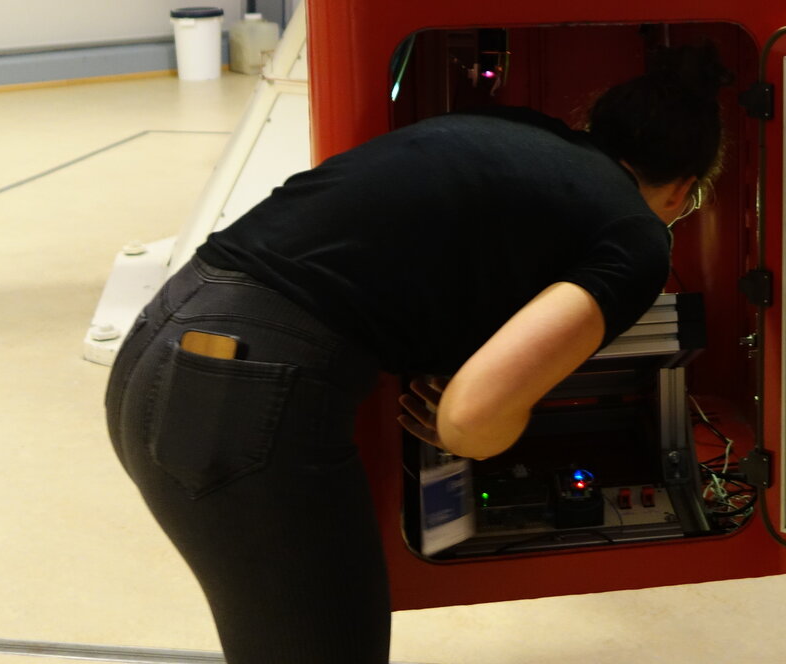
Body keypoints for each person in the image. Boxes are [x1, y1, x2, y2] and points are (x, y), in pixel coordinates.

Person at [104, 44, 730, 664]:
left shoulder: (517, 131)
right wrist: (490, 427)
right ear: (681, 191)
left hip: (170, 334)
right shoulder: (637, 234)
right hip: (251, 390)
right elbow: (471, 419)